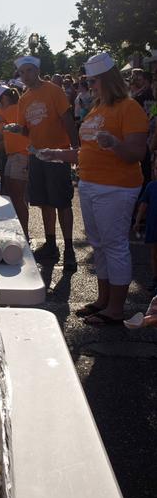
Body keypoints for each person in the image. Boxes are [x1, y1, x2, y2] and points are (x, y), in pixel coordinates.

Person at [39, 52, 148, 325]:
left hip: (116, 187)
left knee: (114, 246)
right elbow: (84, 152)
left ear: (108, 81)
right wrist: (54, 153)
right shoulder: (98, 109)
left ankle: (115, 308)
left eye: (94, 82)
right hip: (90, 184)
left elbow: (136, 153)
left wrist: (114, 143)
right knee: (99, 245)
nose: (90, 87)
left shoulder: (129, 107)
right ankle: (103, 300)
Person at [6, 56, 79, 270]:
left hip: (58, 155)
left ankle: (69, 249)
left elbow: (67, 120)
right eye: (22, 72)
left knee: (63, 202)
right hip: (37, 155)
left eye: (29, 71)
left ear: (37, 70)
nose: (25, 76)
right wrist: (17, 129)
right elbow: (27, 129)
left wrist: (75, 150)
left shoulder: (53, 90)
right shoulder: (24, 99)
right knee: (45, 202)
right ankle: (50, 244)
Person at [0, 87, 30, 239]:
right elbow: (5, 138)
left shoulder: (11, 109)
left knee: (17, 197)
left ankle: (24, 233)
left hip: (22, 155)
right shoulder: (12, 110)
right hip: (15, 155)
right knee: (12, 195)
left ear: (3, 99)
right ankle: (19, 230)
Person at [134, 159, 157, 293]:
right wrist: (137, 221)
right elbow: (143, 205)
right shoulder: (151, 186)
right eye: (156, 168)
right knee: (153, 253)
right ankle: (155, 278)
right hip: (153, 225)